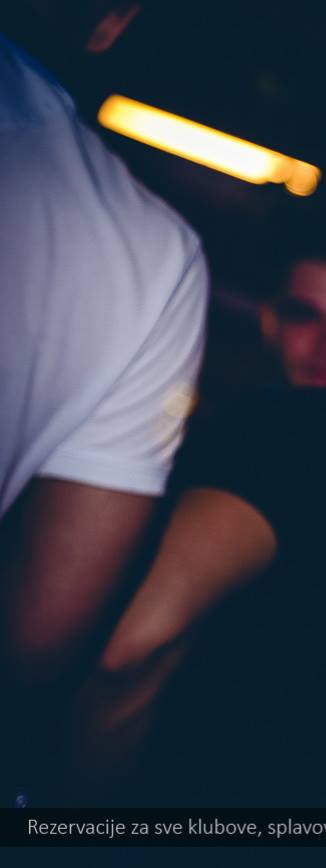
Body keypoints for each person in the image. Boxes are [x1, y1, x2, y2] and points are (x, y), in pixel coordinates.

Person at [0, 2, 208, 799]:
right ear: (111, 21)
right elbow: (49, 635)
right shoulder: (150, 255)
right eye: (295, 316)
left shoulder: (160, 259)